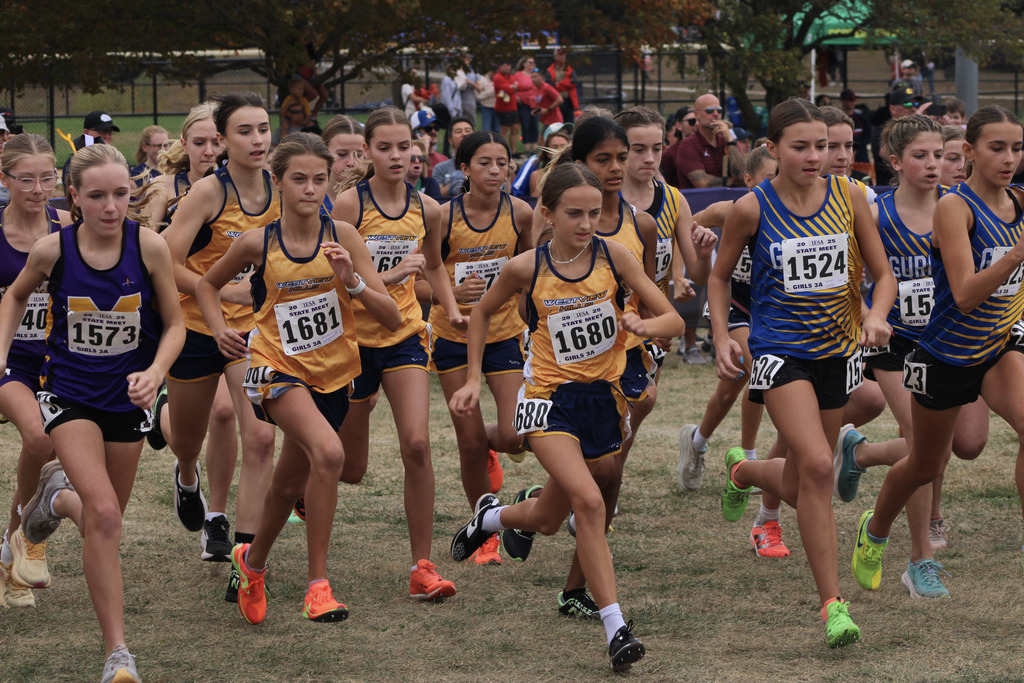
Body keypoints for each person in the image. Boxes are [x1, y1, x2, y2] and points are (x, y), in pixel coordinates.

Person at [448, 162, 684, 671]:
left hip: (603, 399)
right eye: (574, 213)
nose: (586, 223)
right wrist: (472, 378)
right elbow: (484, 313)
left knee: (548, 519)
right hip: (546, 398)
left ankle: (490, 517)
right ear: (548, 214)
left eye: (594, 213)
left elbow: (675, 318)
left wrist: (641, 322)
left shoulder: (614, 255)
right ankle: (616, 627)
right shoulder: (525, 267)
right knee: (589, 502)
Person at [710, 98, 896, 647]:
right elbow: (719, 279)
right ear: (772, 149)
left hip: (838, 353)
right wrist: (722, 336)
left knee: (797, 480)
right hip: (778, 352)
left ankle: (743, 472)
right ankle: (833, 606)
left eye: (824, 145)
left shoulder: (851, 196)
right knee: (817, 463)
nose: (816, 156)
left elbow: (880, 275)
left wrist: (877, 317)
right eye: (802, 146)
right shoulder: (752, 207)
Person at [195, 132, 400, 625]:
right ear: (278, 181)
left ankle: (253, 562)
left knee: (288, 485)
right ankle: (318, 585)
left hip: (333, 374)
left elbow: (391, 317)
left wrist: (351, 280)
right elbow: (206, 283)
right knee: (330, 454)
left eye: (319, 179)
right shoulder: (257, 242)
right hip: (274, 368)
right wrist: (221, 329)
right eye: (299, 179)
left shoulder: (345, 236)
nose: (310, 189)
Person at [0, 142, 184, 683]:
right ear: (74, 197)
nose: (111, 206)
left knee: (109, 521)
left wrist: (155, 373)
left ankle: (49, 504)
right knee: (102, 514)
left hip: (126, 399)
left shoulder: (149, 247)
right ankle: (118, 654)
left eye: (121, 194)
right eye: (97, 195)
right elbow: (13, 298)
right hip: (68, 395)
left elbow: (174, 323)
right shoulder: (52, 252)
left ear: (132, 193)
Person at [851, 106, 1024, 601]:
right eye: (997, 147)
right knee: (925, 463)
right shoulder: (956, 207)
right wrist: (1016, 254)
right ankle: (879, 532)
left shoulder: (1018, 202)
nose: (1009, 158)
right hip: (942, 352)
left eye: (1017, 148)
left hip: (999, 342)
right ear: (968, 152)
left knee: (986, 439)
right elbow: (967, 294)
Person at [331, 107, 464, 600]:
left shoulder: (428, 208)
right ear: (367, 151)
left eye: (403, 146)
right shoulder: (346, 206)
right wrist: (386, 277)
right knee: (351, 468)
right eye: (384, 147)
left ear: (417, 150)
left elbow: (433, 266)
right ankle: (303, 482)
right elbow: (333, 282)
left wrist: (451, 308)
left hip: (405, 335)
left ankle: (422, 567)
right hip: (351, 342)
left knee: (417, 445)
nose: (395, 155)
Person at [161, 94, 280, 592]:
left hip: (252, 333)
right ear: (225, 142)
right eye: (245, 132)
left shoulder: (283, 185)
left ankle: (245, 558)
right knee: (188, 438)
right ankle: (186, 472)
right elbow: (164, 261)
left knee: (259, 435)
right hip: (194, 326)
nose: (257, 140)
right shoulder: (209, 193)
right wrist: (222, 285)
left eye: (263, 129)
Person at [428, 131, 533, 565]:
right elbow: (422, 280)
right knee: (469, 444)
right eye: (484, 163)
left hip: (505, 333)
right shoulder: (442, 217)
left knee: (513, 435)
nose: (495, 170)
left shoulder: (521, 213)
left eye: (502, 162)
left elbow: (532, 272)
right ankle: (484, 532)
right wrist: (453, 291)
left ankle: (491, 444)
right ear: (464, 169)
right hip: (454, 336)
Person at [677, 145, 775, 497]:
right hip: (734, 303)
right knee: (760, 369)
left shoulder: (796, 217)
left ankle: (697, 441)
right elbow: (686, 226)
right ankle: (747, 460)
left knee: (731, 386)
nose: (779, 185)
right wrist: (693, 254)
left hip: (770, 309)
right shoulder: (730, 210)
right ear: (749, 181)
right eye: (770, 178)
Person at [0, 134, 70, 609]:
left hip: (60, 357)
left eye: (48, 177)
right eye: (27, 179)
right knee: (41, 439)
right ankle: (28, 538)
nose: (39, 188)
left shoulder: (67, 224)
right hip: (8, 359)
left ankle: (12, 544)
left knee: (55, 450)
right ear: (4, 180)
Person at [675, 93, 744, 188]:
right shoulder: (687, 145)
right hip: (699, 201)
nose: (716, 114)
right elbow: (702, 183)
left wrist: (730, 141)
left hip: (729, 201)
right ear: (696, 115)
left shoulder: (727, 141)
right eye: (710, 110)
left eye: (719, 110)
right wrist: (732, 180)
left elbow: (742, 177)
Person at [61, 111, 119, 187]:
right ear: (86, 132)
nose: (107, 136)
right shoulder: (73, 162)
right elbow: (70, 192)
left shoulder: (117, 159)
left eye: (110, 131)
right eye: (102, 131)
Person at [321, 114, 364, 213]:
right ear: (324, 152)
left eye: (359, 155)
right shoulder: (312, 200)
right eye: (342, 154)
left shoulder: (373, 199)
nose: (351, 162)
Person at [434, 116, 474, 196]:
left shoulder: (484, 165)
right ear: (450, 140)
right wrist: (455, 182)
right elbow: (436, 196)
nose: (464, 134)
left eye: (468, 131)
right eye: (458, 131)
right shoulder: (441, 168)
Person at [661, 106, 698, 189]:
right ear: (679, 125)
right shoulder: (670, 154)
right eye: (692, 121)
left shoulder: (708, 147)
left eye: (698, 120)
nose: (697, 124)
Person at [545, 47, 581, 124]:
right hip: (556, 102)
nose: (563, 57)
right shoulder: (550, 70)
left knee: (569, 124)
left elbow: (574, 82)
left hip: (569, 101)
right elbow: (550, 86)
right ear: (555, 57)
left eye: (564, 55)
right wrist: (566, 84)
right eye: (560, 55)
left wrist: (559, 84)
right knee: (557, 124)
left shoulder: (570, 69)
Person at [493, 60, 520, 155]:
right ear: (500, 67)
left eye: (509, 66)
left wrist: (512, 87)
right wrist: (513, 87)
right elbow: (506, 89)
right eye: (505, 66)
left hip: (513, 108)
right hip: (503, 108)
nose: (508, 68)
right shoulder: (497, 77)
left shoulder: (511, 77)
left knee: (515, 129)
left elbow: (517, 86)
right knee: (504, 131)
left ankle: (513, 151)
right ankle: (503, 151)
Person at [513, 56, 539, 154]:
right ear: (524, 64)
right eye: (530, 62)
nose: (532, 64)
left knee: (535, 125)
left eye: (533, 62)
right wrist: (516, 96)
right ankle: (527, 148)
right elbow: (513, 87)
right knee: (526, 125)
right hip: (523, 103)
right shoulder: (518, 75)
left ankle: (534, 147)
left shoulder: (535, 74)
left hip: (535, 102)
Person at [455, 53, 482, 121]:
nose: (466, 62)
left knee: (470, 123)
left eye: (467, 60)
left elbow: (479, 89)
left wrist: (470, 82)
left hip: (469, 102)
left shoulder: (473, 73)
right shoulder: (455, 72)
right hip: (456, 102)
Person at [477, 69, 499, 134]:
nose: (494, 75)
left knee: (497, 130)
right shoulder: (482, 80)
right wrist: (490, 93)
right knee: (486, 129)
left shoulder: (498, 79)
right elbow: (478, 96)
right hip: (486, 107)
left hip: (498, 107)